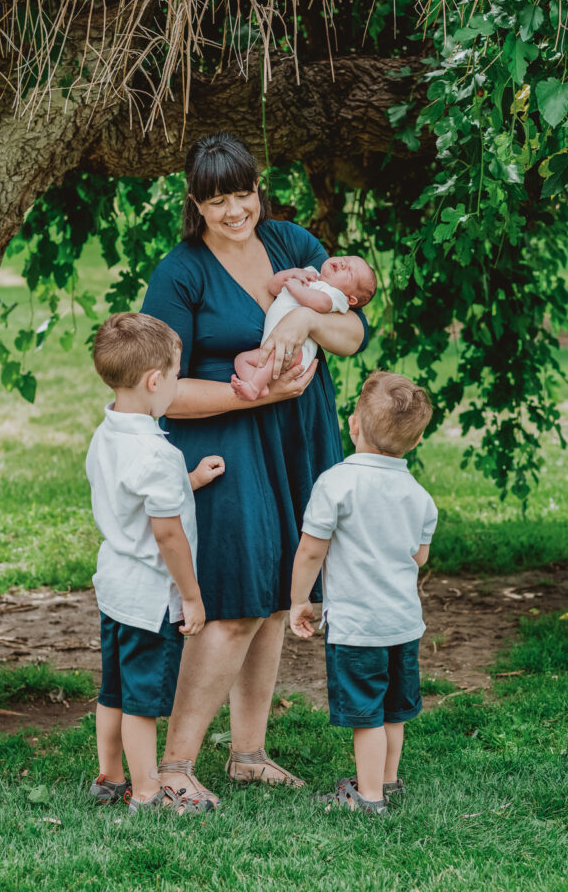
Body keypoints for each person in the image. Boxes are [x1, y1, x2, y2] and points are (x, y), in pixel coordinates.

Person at [140, 132, 369, 806]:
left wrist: (301, 323)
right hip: (225, 436)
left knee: (274, 598)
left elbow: (352, 333)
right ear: (195, 203)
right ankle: (176, 766)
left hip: (300, 434)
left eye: (243, 194)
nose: (235, 210)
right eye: (218, 200)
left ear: (256, 188)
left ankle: (248, 753)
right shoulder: (180, 272)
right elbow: (159, 390)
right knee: (235, 602)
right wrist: (261, 390)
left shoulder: (294, 243)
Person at [86, 312, 224, 814]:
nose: (177, 384)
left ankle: (109, 776)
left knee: (114, 690)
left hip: (114, 586)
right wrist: (191, 594)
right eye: (177, 375)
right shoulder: (155, 454)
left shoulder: (107, 434)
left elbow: (136, 500)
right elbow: (166, 532)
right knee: (143, 701)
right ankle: (146, 791)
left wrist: (189, 482)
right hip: (148, 596)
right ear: (154, 381)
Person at [289, 371, 437, 815]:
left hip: (358, 628)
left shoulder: (336, 484)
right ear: (414, 442)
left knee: (367, 715)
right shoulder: (419, 496)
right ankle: (388, 781)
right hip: (403, 623)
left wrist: (300, 600)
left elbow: (311, 551)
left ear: (353, 425)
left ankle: (367, 796)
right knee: (394, 710)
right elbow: (419, 558)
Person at [231, 256, 377, 401]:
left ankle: (254, 386)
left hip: (295, 349)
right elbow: (273, 288)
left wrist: (296, 288)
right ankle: (259, 386)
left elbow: (320, 303)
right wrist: (292, 274)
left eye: (350, 272)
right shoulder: (309, 273)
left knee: (271, 359)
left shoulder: (336, 296)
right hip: (274, 346)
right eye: (346, 259)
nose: (343, 264)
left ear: (351, 299)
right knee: (241, 360)